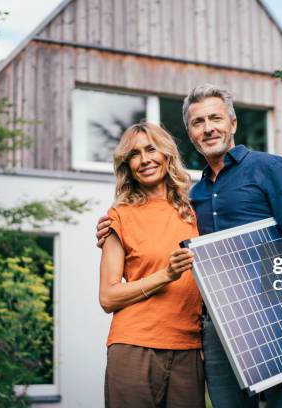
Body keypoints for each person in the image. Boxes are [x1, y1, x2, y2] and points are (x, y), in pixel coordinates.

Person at [97, 85, 282, 408]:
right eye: (198, 122)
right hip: (219, 333)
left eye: (215, 118)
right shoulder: (193, 199)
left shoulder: (269, 169)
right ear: (190, 134)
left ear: (233, 124)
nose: (208, 128)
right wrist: (112, 231)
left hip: (280, 321)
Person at [99, 122, 204, 408]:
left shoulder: (195, 212)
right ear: (127, 165)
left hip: (189, 349)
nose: (145, 160)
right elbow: (107, 298)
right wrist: (165, 276)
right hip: (134, 347)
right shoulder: (118, 216)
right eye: (134, 154)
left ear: (167, 155)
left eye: (151, 149)